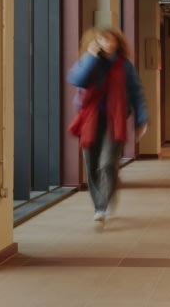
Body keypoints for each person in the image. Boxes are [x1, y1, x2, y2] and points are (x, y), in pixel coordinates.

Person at [67, 26, 149, 222]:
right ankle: (100, 204)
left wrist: (141, 119)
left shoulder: (124, 66)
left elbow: (136, 92)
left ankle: (103, 204)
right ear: (96, 42)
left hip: (115, 120)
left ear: (118, 43)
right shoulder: (89, 60)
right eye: (103, 40)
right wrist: (91, 57)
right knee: (92, 164)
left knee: (107, 164)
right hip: (91, 120)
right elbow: (77, 80)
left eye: (111, 40)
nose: (108, 43)